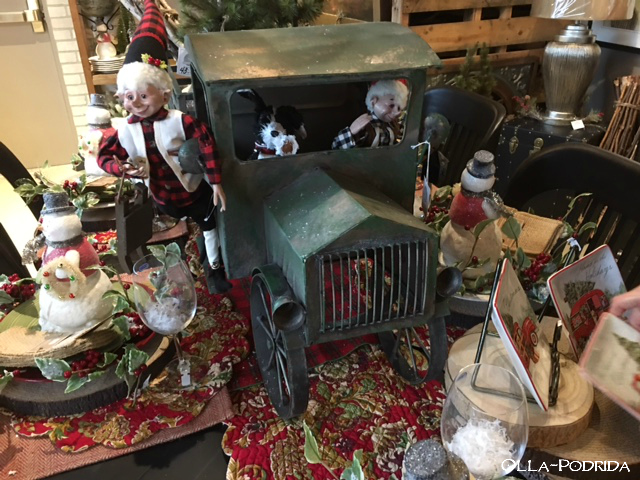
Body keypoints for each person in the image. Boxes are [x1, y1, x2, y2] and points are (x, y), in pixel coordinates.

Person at [97, 0, 231, 293]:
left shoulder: (180, 120)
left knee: (210, 228)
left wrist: (215, 181)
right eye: (129, 97)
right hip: (161, 198)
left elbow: (206, 142)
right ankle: (177, 271)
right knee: (168, 235)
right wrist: (121, 168)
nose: (136, 103)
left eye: (144, 96)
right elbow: (104, 155)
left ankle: (214, 268)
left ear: (164, 94)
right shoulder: (125, 129)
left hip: (193, 190)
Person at [331, 79, 408, 149]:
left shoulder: (394, 125)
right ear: (374, 101)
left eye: (399, 108)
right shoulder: (366, 126)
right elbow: (336, 147)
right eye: (391, 105)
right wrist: (351, 132)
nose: (397, 112)